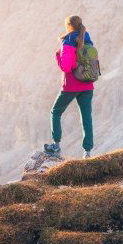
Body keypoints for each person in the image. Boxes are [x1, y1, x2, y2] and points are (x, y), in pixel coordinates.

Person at [44, 15, 94, 159]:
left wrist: (57, 56)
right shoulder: (88, 38)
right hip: (87, 84)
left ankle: (56, 147)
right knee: (86, 117)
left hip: (71, 85)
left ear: (68, 26)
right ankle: (87, 152)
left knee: (55, 112)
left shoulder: (68, 41)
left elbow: (66, 67)